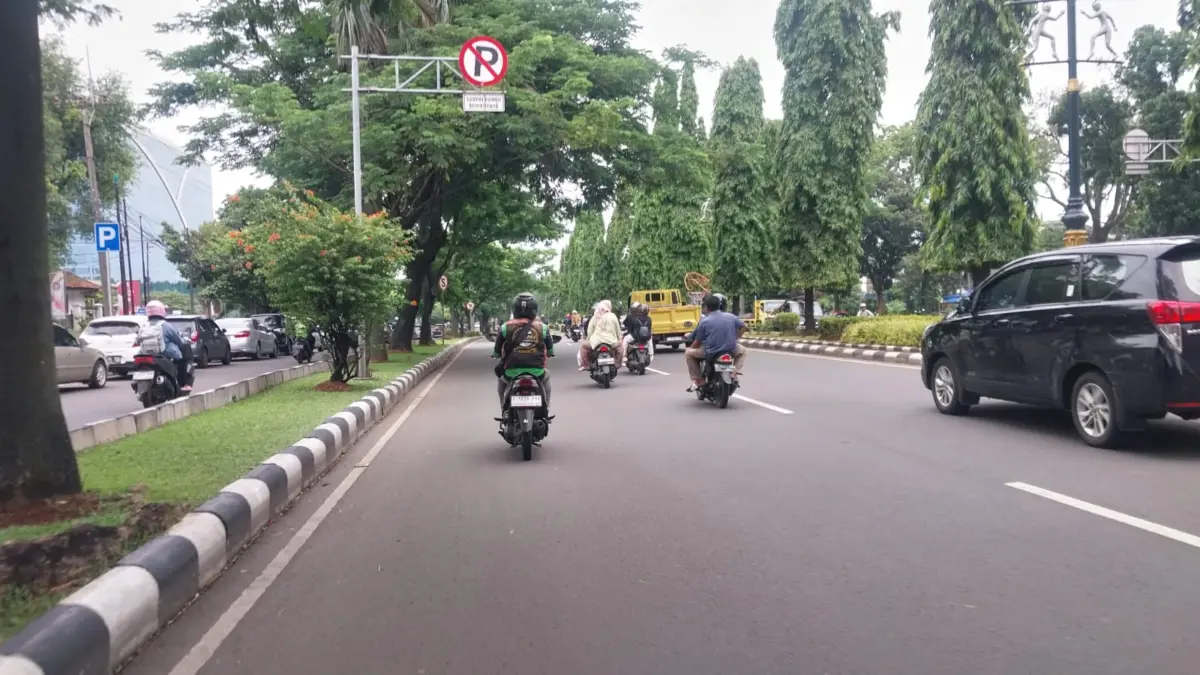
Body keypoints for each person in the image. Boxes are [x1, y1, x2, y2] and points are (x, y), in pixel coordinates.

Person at [491, 292, 554, 409]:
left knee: (501, 384)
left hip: (511, 373)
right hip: (537, 373)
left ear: (514, 309)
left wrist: (496, 354)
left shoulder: (505, 327)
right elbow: (550, 350)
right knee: (547, 383)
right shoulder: (543, 328)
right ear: (534, 309)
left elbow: (496, 351)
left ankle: (504, 410)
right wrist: (550, 353)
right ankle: (545, 410)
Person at [685, 294, 747, 389]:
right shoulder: (731, 316)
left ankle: (698, 380)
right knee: (743, 351)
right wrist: (737, 337)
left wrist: (690, 348)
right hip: (731, 350)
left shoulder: (704, 321)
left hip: (711, 352)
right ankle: (734, 372)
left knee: (688, 353)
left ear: (706, 307)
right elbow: (744, 326)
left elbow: (698, 341)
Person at [143, 300, 194, 392]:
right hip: (166, 354)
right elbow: (179, 341)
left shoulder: (144, 326)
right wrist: (184, 341)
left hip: (146, 354)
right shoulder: (165, 325)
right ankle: (184, 384)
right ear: (161, 311)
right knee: (183, 357)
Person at [579, 299, 622, 370]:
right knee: (620, 347)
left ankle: (586, 365)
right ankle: (617, 363)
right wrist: (619, 339)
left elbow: (590, 331)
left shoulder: (595, 317)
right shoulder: (613, 316)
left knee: (583, 346)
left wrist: (589, 339)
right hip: (611, 342)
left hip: (596, 343)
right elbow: (618, 330)